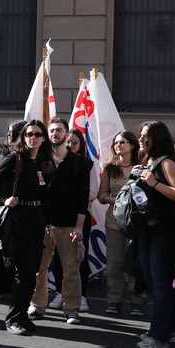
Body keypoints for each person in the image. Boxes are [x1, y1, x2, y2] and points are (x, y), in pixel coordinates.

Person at [0, 120, 54, 335]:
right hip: (19, 217)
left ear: (43, 138)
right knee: (24, 270)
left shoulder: (42, 162)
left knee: (32, 270)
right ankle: (13, 319)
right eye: (28, 134)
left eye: (37, 134)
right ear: (23, 137)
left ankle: (22, 316)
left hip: (36, 217)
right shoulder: (15, 158)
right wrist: (4, 199)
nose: (32, 137)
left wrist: (49, 225)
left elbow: (44, 197)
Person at [134, 121, 175, 348]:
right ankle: (170, 325)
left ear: (157, 138)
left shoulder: (166, 162)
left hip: (165, 230)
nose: (140, 139)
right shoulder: (148, 161)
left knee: (160, 283)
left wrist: (154, 182)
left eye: (145, 135)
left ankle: (160, 335)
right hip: (148, 229)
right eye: (140, 134)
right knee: (154, 280)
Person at [28, 118, 89, 325]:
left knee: (71, 269)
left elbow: (83, 198)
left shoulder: (80, 163)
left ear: (66, 134)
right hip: (42, 224)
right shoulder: (39, 160)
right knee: (39, 268)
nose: (55, 133)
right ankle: (37, 306)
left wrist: (79, 226)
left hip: (69, 225)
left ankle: (71, 309)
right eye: (51, 130)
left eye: (59, 130)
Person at [97, 130, 140, 315]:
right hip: (113, 221)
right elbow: (101, 195)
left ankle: (137, 300)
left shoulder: (141, 167)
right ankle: (114, 299)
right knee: (114, 264)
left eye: (122, 142)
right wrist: (120, 201)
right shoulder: (109, 169)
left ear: (132, 145)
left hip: (135, 224)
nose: (118, 145)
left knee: (135, 264)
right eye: (116, 142)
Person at [0, 120, 26, 301]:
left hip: (22, 208)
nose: (8, 135)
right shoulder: (5, 153)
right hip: (3, 209)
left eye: (11, 132)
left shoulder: (30, 155)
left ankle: (13, 288)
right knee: (1, 250)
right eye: (7, 132)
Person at [68, 127, 96, 306]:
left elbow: (93, 191)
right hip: (61, 215)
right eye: (67, 141)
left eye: (74, 141)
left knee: (80, 255)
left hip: (81, 215)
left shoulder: (88, 164)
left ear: (81, 144)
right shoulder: (57, 161)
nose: (70, 145)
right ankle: (61, 294)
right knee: (61, 256)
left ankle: (82, 295)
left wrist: (75, 196)